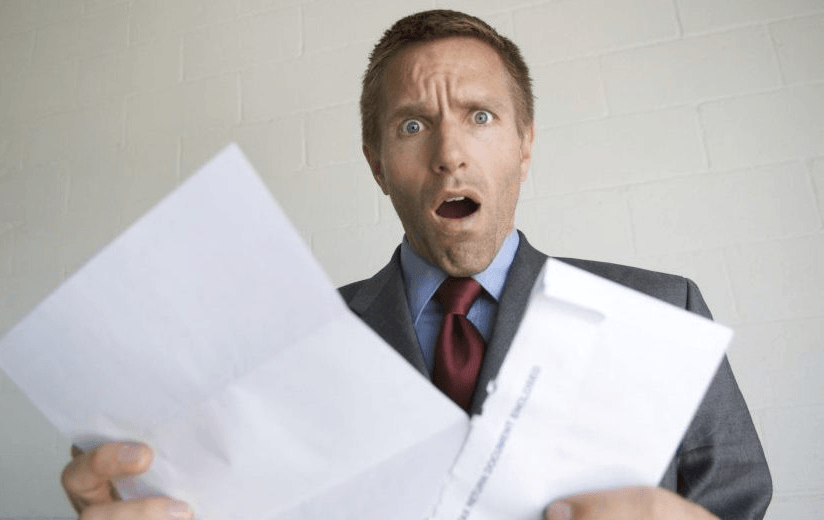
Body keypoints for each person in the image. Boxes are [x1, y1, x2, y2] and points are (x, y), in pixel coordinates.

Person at [61, 10, 771, 520]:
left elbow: (740, 500)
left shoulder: (660, 308)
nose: (449, 153)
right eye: (412, 125)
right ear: (377, 166)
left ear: (525, 145)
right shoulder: (289, 342)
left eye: (481, 117)